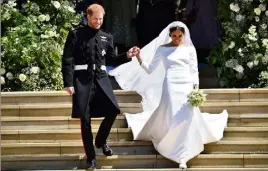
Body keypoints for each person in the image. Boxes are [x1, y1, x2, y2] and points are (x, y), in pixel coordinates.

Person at [109, 21, 228, 169]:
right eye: (174, 36)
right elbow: (150, 69)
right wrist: (139, 59)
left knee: (187, 114)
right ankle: (177, 151)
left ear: (184, 35)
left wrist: (196, 88)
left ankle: (184, 153)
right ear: (170, 35)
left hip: (186, 85)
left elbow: (194, 70)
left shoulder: (190, 49)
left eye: (180, 36)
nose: (177, 38)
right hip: (170, 84)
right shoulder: (162, 49)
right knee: (172, 111)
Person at [61, 4, 134, 170]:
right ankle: (91, 158)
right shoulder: (75, 34)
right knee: (84, 119)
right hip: (82, 80)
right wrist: (68, 82)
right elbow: (67, 59)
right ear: (88, 16)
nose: (98, 22)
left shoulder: (106, 36)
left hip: (101, 79)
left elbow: (112, 59)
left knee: (113, 110)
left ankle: (100, 141)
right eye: (95, 19)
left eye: (101, 19)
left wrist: (127, 55)